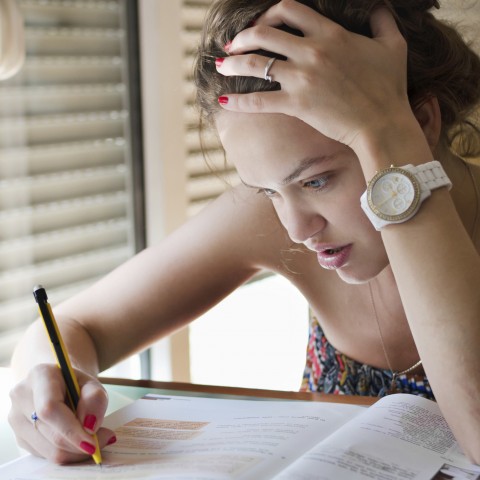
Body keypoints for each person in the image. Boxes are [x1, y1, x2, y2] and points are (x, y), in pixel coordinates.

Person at [8, 0, 480, 465]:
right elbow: (70, 327)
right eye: (268, 190)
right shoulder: (271, 217)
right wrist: (46, 385)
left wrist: (393, 143)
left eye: (316, 180)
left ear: (419, 122)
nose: (297, 229)